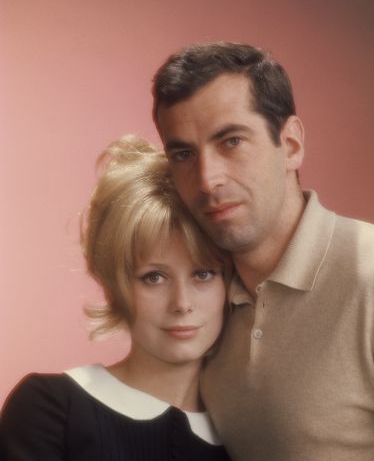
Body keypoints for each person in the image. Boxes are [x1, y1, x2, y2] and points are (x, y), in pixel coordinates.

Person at [151, 42, 374, 460]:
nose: (207, 179)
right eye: (183, 154)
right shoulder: (203, 308)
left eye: (231, 142)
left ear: (290, 145)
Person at [0, 136, 231, 460]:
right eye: (154, 277)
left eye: (203, 274)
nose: (182, 303)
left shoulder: (244, 439)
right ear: (113, 282)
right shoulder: (51, 409)